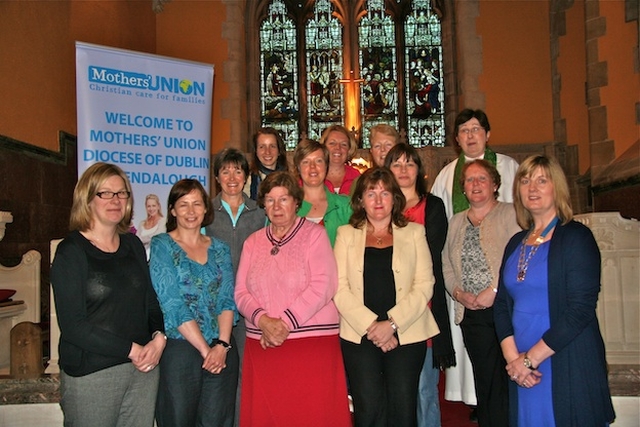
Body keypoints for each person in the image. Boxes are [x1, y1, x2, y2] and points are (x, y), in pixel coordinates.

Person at [494, 155, 615, 426]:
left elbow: (580, 310)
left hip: (564, 357)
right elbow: (502, 304)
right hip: (522, 363)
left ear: (556, 188)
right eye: (525, 181)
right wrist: (514, 360)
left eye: (541, 180)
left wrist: (530, 360)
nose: (532, 188)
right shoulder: (516, 242)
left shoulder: (576, 238)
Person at [51, 162, 166, 427]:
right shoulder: (71, 252)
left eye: (121, 193)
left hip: (143, 370)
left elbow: (150, 302)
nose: (115, 200)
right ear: (87, 198)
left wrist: (159, 337)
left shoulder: (133, 244)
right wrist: (131, 350)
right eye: (106, 193)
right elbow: (72, 326)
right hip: (93, 372)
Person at [235, 171, 351, 427]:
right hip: (264, 346)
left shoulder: (315, 236)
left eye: (284, 199)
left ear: (296, 203)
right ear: (263, 205)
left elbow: (324, 285)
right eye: (270, 200)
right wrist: (264, 321)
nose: (277, 207)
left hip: (310, 345)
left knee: (312, 415)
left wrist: (283, 323)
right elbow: (241, 293)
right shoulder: (252, 242)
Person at [333, 167, 439, 427]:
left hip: (406, 333)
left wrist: (391, 325)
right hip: (360, 335)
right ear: (360, 200)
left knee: (403, 412)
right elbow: (339, 287)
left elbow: (425, 283)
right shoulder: (346, 235)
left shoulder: (414, 233)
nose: (378, 201)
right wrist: (373, 327)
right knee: (367, 412)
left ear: (395, 198)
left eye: (384, 193)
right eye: (371, 194)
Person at [430, 109, 519, 413]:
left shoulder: (509, 167)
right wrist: (457, 291)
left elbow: (518, 247)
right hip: (467, 302)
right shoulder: (447, 175)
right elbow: (444, 247)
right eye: (464, 130)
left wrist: (494, 290)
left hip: (503, 300)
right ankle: (481, 406)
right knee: (483, 372)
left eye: (476, 129)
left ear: (487, 134)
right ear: (456, 139)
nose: (470, 135)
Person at [150, 179, 239, 427]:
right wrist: (205, 350)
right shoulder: (162, 245)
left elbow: (226, 298)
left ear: (205, 209)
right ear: (172, 210)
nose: (191, 212)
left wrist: (221, 344)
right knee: (179, 420)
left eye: (197, 204)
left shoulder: (219, 248)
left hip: (222, 349)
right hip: (181, 348)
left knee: (217, 421)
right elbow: (172, 303)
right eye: (183, 204)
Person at [442, 160, 521, 427]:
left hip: (507, 311)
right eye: (469, 180)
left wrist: (495, 290)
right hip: (472, 315)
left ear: (495, 184)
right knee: (485, 381)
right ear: (462, 188)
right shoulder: (455, 222)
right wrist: (458, 293)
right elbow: (446, 264)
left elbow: (519, 258)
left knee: (511, 376)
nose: (475, 185)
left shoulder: (511, 214)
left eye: (482, 179)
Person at [384, 144, 455, 427]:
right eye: (397, 163)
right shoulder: (380, 205)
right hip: (386, 309)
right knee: (393, 392)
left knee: (425, 390)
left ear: (419, 170)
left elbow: (432, 255)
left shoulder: (433, 206)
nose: (403, 169)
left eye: (409, 163)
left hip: (422, 309)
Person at [204, 148, 266, 425]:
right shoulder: (205, 213)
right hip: (214, 309)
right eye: (225, 170)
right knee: (216, 375)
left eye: (238, 171)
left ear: (246, 177)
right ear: (217, 176)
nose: (232, 177)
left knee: (247, 375)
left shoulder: (259, 212)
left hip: (251, 308)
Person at [293, 139, 352, 247]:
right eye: (306, 162)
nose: (312, 167)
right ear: (298, 168)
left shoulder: (345, 206)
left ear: (326, 166)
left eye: (318, 161)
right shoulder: (287, 207)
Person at [243, 127, 289, 200]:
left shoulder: (291, 180)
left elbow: (302, 205)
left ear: (279, 151)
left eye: (272, 146)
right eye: (262, 147)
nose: (267, 152)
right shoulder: (246, 181)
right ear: (256, 152)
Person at [319, 124, 361, 195]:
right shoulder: (312, 175)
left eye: (343, 144)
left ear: (349, 150)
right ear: (323, 147)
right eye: (332, 143)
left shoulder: (357, 178)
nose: (338, 148)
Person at [136, 193, 166, 259]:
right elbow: (136, 241)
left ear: (158, 206)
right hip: (141, 258)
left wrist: (142, 239)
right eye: (149, 206)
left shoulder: (164, 221)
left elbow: (157, 238)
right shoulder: (142, 223)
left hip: (157, 258)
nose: (151, 208)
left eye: (153, 206)